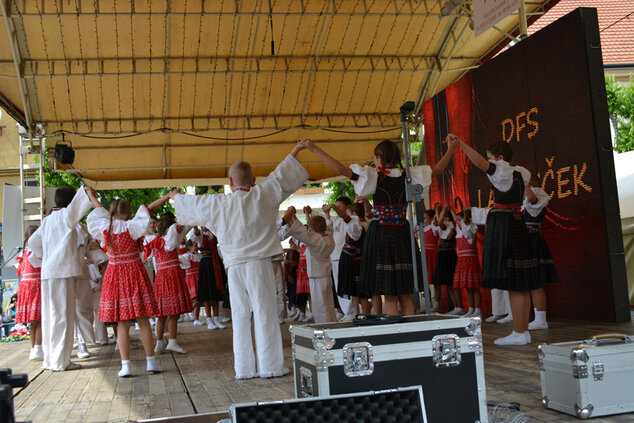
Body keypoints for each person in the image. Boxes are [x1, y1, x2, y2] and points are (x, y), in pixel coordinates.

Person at [171, 141, 309, 379]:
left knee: (241, 315)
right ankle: (271, 366)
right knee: (265, 312)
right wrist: (295, 150)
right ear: (254, 180)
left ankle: (244, 369)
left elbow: (189, 204)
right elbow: (281, 175)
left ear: (230, 182)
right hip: (260, 264)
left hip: (234, 267)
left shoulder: (219, 203)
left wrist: (176, 196)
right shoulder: (263, 194)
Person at [301, 138, 457, 316]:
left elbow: (340, 169)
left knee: (389, 291)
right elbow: (437, 170)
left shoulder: (375, 176)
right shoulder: (409, 176)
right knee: (405, 289)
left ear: (380, 158)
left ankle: (394, 335)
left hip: (382, 232)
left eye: (375, 158)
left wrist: (314, 148)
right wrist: (451, 148)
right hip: (401, 232)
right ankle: (409, 334)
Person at [452, 135, 540, 345]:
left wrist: (460, 143)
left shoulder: (501, 171)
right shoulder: (522, 172)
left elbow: (479, 162)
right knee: (519, 280)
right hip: (516, 221)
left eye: (491, 158)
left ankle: (519, 332)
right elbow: (530, 197)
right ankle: (521, 330)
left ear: (499, 158)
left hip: (504, 225)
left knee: (513, 279)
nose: (488, 161)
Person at [86, 191, 168, 376]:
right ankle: (151, 361)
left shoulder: (105, 227)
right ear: (129, 212)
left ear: (112, 213)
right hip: (134, 272)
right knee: (143, 320)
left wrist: (91, 196)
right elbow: (149, 209)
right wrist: (166, 197)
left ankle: (126, 366)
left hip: (115, 274)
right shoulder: (132, 226)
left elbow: (99, 210)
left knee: (122, 322)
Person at [28, 185, 94, 371]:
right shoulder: (66, 216)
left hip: (49, 271)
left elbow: (33, 242)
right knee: (62, 316)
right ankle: (60, 361)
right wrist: (86, 191)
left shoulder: (47, 220)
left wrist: (45, 257)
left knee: (51, 316)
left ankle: (51, 359)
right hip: (61, 271)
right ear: (71, 201)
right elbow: (78, 205)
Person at [146, 213, 194, 355]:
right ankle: (171, 342)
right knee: (172, 312)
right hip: (172, 275)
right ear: (168, 228)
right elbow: (178, 234)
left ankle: (159, 344)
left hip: (161, 276)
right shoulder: (168, 240)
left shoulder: (154, 241)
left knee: (162, 313)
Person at [285, 209, 336, 323]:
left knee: (320, 307)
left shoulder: (315, 239)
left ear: (313, 230)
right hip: (326, 276)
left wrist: (291, 215)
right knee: (328, 305)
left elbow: (299, 231)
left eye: (310, 229)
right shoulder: (329, 237)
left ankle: (324, 330)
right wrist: (292, 217)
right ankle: (332, 326)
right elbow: (300, 235)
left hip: (317, 277)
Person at [522, 176, 558, 330]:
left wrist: (521, 181)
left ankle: (541, 319)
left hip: (532, 241)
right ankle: (537, 317)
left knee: (536, 282)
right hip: (526, 241)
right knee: (531, 282)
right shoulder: (524, 199)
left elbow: (532, 198)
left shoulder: (536, 193)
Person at [323, 197, 357, 321]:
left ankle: (351, 312)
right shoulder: (336, 219)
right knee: (339, 287)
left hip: (344, 255)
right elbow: (328, 228)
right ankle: (346, 312)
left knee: (345, 285)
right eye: (337, 205)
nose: (337, 208)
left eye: (340, 206)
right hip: (335, 256)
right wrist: (327, 213)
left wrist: (333, 206)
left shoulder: (348, 219)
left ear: (348, 206)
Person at [336, 202, 371, 314]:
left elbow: (355, 235)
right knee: (356, 293)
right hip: (356, 261)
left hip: (357, 262)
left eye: (349, 214)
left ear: (354, 214)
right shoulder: (364, 223)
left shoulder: (359, 225)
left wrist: (333, 207)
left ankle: (366, 315)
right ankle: (359, 314)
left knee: (362, 294)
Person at [190, 227, 227, 330]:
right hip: (206, 264)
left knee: (215, 293)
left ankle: (216, 319)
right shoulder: (201, 234)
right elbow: (196, 232)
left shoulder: (214, 232)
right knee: (207, 295)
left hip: (215, 263)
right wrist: (194, 224)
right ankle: (209, 320)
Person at [15, 226, 43, 361]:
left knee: (33, 321)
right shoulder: (37, 251)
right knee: (40, 319)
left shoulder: (23, 253)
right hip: (36, 285)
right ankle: (38, 347)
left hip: (25, 286)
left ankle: (34, 349)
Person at [451, 207, 482, 317]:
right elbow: (456, 219)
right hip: (462, 260)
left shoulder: (470, 229)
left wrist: (465, 214)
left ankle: (478, 309)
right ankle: (471, 308)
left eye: (460, 220)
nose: (458, 222)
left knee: (475, 286)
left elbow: (466, 226)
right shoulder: (459, 231)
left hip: (470, 260)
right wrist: (451, 209)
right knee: (468, 286)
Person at [434, 205, 460, 315]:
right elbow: (437, 221)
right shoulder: (444, 225)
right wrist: (438, 211)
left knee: (451, 282)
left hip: (448, 254)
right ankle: (456, 306)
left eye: (443, 216)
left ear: (447, 218)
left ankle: (459, 306)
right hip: (443, 254)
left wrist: (443, 210)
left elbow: (439, 222)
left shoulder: (449, 226)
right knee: (448, 284)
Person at [181, 239, 204, 326]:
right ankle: (188, 311)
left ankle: (196, 319)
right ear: (189, 247)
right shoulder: (187, 256)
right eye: (194, 245)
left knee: (198, 299)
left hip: (198, 278)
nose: (196, 247)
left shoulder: (199, 256)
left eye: (197, 245)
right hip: (190, 279)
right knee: (195, 299)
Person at [423, 210, 440, 312]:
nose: (424, 220)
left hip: (432, 255)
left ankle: (437, 303)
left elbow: (435, 225)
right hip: (424, 256)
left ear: (431, 218)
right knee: (425, 281)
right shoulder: (423, 228)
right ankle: (428, 303)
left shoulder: (434, 227)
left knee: (435, 281)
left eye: (425, 218)